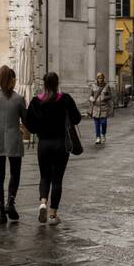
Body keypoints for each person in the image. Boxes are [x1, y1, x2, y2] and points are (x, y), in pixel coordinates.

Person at [25, 72, 81, 225]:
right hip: (61, 144)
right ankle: (52, 215)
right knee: (57, 179)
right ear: (57, 83)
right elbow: (77, 118)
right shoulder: (65, 99)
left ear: (44, 84)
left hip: (44, 144)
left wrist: (39, 128)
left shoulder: (37, 101)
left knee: (44, 176)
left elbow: (29, 125)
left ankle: (43, 202)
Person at [0, 65, 27, 225]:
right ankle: (11, 202)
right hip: (14, 140)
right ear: (12, 80)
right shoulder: (19, 98)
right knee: (15, 174)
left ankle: (1, 211)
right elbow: (26, 119)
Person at [89, 72, 112, 144]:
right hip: (96, 107)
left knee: (104, 123)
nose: (100, 79)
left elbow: (110, 96)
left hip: (104, 107)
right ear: (97, 79)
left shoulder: (107, 86)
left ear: (103, 78)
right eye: (99, 78)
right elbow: (91, 95)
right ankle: (98, 137)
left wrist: (104, 97)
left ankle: (103, 134)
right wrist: (91, 98)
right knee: (97, 124)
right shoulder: (93, 86)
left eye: (101, 78)